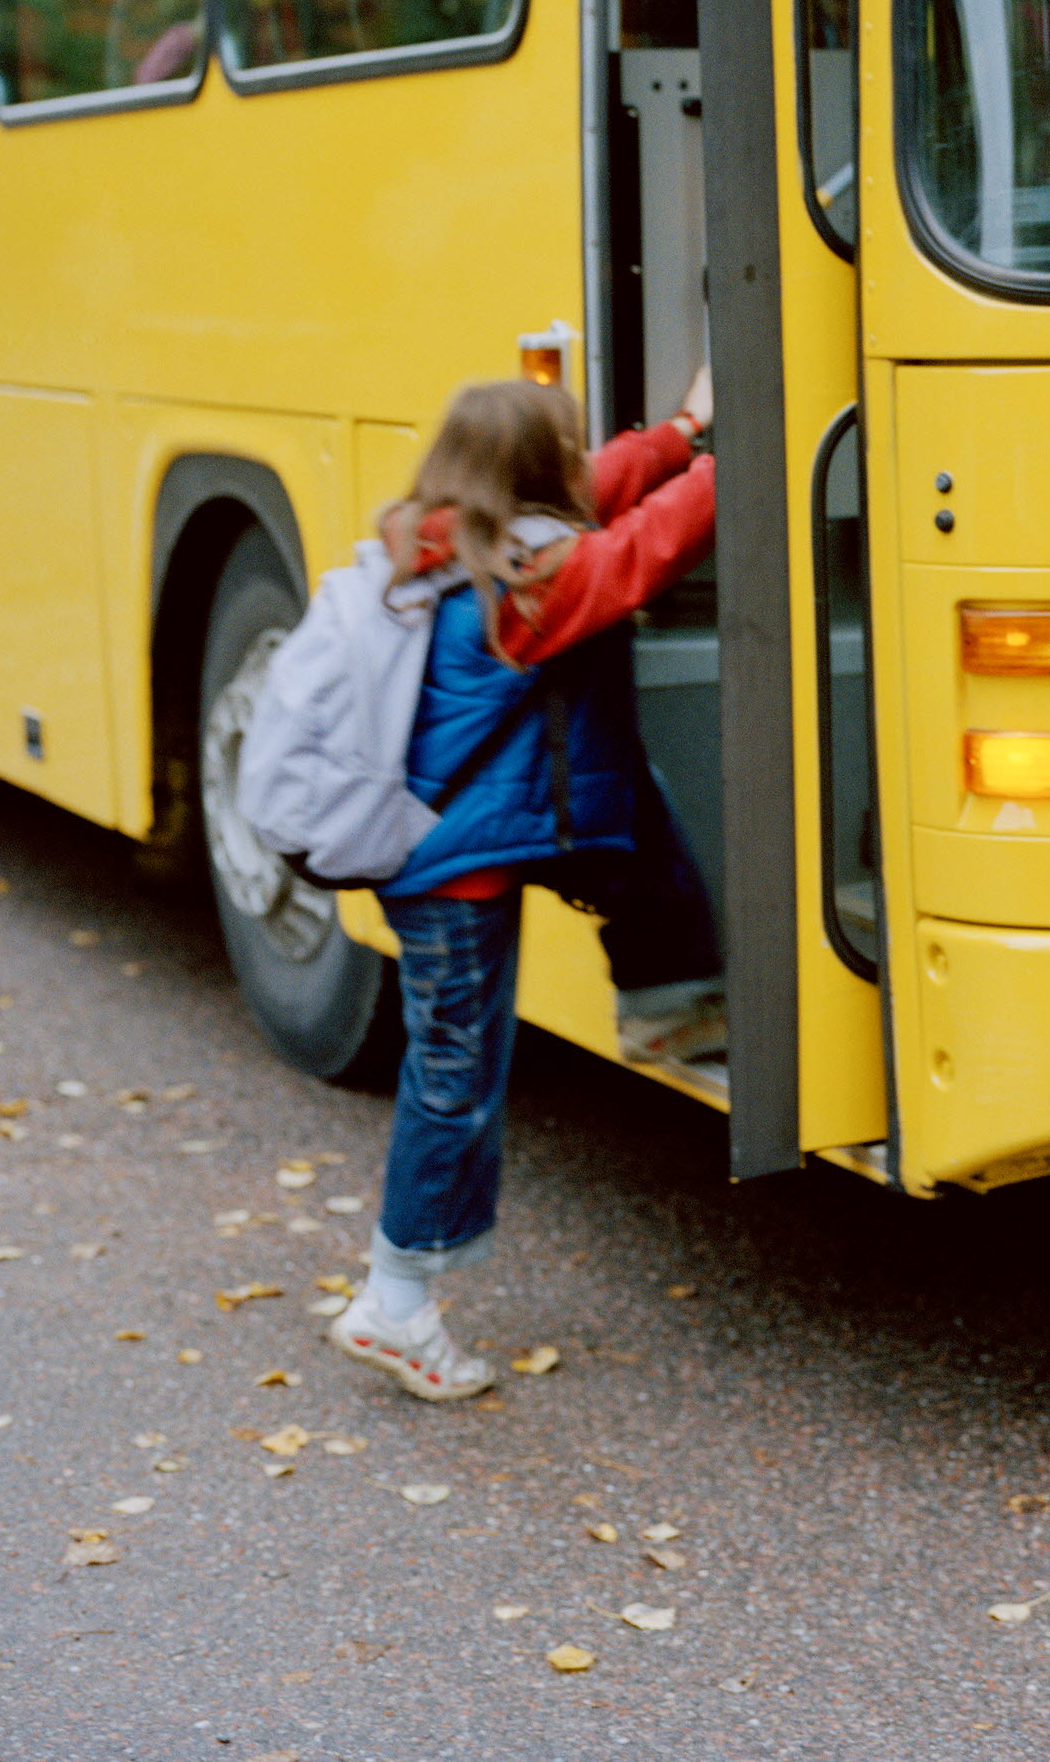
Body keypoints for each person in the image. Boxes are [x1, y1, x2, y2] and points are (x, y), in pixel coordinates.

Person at [330, 368, 717, 1401]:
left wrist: (681, 430)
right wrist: (734, 461)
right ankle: (394, 1299)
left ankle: (671, 1003)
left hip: (446, 856)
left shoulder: (444, 536)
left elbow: (600, 486)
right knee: (453, 1077)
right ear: (529, 473)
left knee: (630, 833)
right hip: (452, 878)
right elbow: (637, 551)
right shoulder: (519, 585)